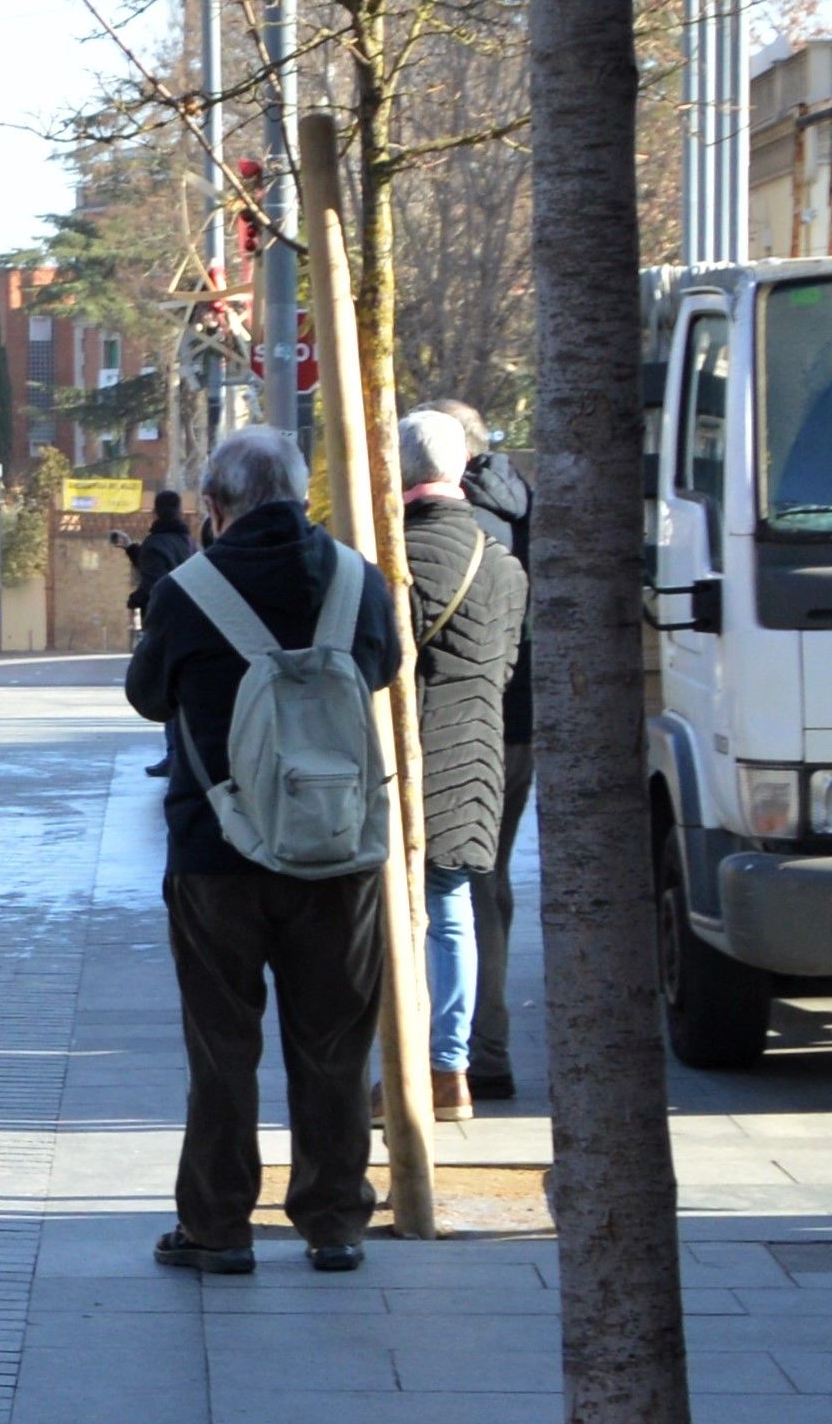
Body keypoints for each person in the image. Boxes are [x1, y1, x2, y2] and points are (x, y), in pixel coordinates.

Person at [126, 427, 406, 1277]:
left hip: (218, 851)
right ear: (303, 492)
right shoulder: (361, 582)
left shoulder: (186, 589)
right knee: (333, 1044)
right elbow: (386, 669)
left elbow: (146, 696)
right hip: (336, 846)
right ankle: (333, 1222)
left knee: (223, 1045)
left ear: (213, 507)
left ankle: (218, 1227)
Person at [396, 411, 522, 1126]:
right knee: (452, 909)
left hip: (405, 757)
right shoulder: (503, 560)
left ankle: (406, 1070)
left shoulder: (393, 558)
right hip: (478, 751)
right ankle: (453, 1071)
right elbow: (502, 666)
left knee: (398, 916)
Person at [457, 424, 533, 1102]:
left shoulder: (455, 523)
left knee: (460, 883)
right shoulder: (526, 506)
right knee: (491, 877)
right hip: (521, 725)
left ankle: (472, 1051)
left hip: (466, 724)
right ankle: (490, 1043)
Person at [125, 488, 198, 634]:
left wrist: (134, 600)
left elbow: (154, 585)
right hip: (190, 621)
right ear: (180, 512)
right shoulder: (191, 544)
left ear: (155, 513)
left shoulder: (153, 544)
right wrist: (132, 549)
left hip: (162, 625)